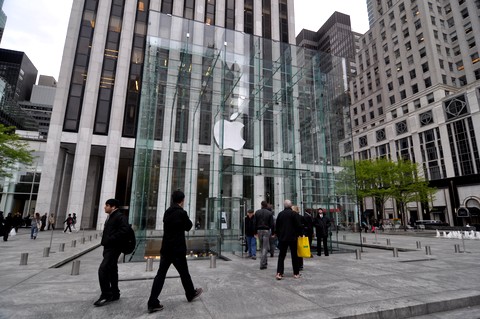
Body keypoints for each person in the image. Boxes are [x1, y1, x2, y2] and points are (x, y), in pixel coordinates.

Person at [147, 190, 202, 313]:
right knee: (184, 273)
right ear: (182, 200)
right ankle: (190, 294)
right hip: (177, 250)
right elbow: (189, 226)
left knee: (160, 275)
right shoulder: (181, 213)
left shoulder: (167, 212)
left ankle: (152, 301)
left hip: (166, 249)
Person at [94, 198, 129, 307]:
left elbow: (124, 230)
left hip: (114, 247)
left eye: (107, 205)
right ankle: (115, 293)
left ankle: (106, 294)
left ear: (113, 207)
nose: (105, 207)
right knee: (112, 270)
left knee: (103, 270)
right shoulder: (112, 217)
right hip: (109, 247)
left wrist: (110, 239)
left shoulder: (119, 217)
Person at [275, 200, 302, 280]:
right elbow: (298, 226)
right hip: (293, 238)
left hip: (283, 238)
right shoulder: (294, 214)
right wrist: (299, 234)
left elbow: (277, 226)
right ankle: (296, 273)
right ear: (291, 206)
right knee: (294, 255)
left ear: (284, 206)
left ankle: (279, 273)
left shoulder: (280, 214)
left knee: (281, 255)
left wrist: (279, 236)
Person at [254, 201, 275, 270]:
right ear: (266, 205)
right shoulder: (269, 213)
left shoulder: (257, 212)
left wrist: (255, 232)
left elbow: (255, 223)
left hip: (259, 230)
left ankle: (264, 262)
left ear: (261, 205)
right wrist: (273, 233)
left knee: (262, 246)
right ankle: (263, 264)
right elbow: (272, 224)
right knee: (265, 247)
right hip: (266, 230)